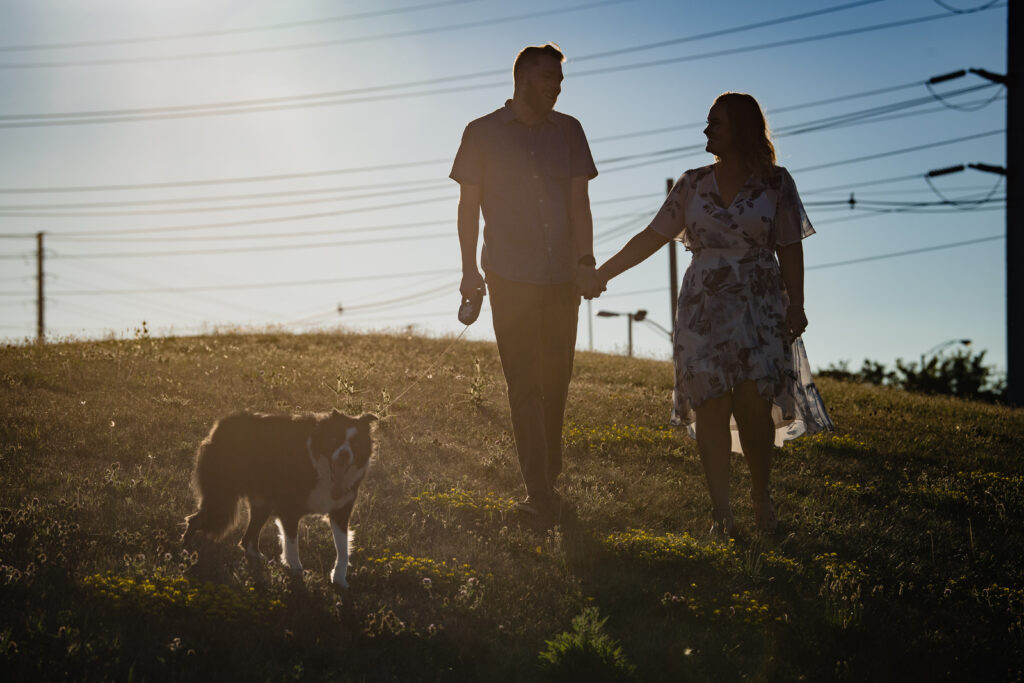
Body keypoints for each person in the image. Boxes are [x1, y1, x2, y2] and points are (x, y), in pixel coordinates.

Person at [588, 92, 832, 536]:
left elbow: (790, 246)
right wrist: (604, 273)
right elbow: (651, 235)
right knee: (711, 406)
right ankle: (722, 515)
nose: (705, 130)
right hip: (703, 307)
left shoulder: (776, 183)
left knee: (754, 410)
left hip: (758, 304)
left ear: (739, 127)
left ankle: (761, 496)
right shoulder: (692, 183)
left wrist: (796, 303)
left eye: (714, 123)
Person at [450, 43, 599, 521]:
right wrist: (470, 269)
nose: (555, 86)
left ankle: (547, 480)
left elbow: (580, 202)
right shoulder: (481, 133)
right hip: (508, 276)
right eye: (546, 78)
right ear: (521, 79)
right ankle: (539, 494)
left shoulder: (570, 132)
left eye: (559, 79)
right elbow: (467, 208)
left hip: (560, 278)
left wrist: (586, 260)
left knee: (556, 382)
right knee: (524, 383)